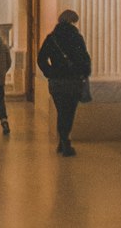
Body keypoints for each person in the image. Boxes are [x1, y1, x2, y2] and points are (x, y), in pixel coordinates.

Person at [37, 9, 91, 156]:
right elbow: (84, 59)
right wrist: (84, 73)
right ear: (72, 22)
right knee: (69, 112)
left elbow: (41, 58)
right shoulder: (76, 38)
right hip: (73, 80)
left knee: (61, 111)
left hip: (56, 81)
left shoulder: (52, 38)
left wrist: (50, 72)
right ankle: (65, 141)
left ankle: (62, 141)